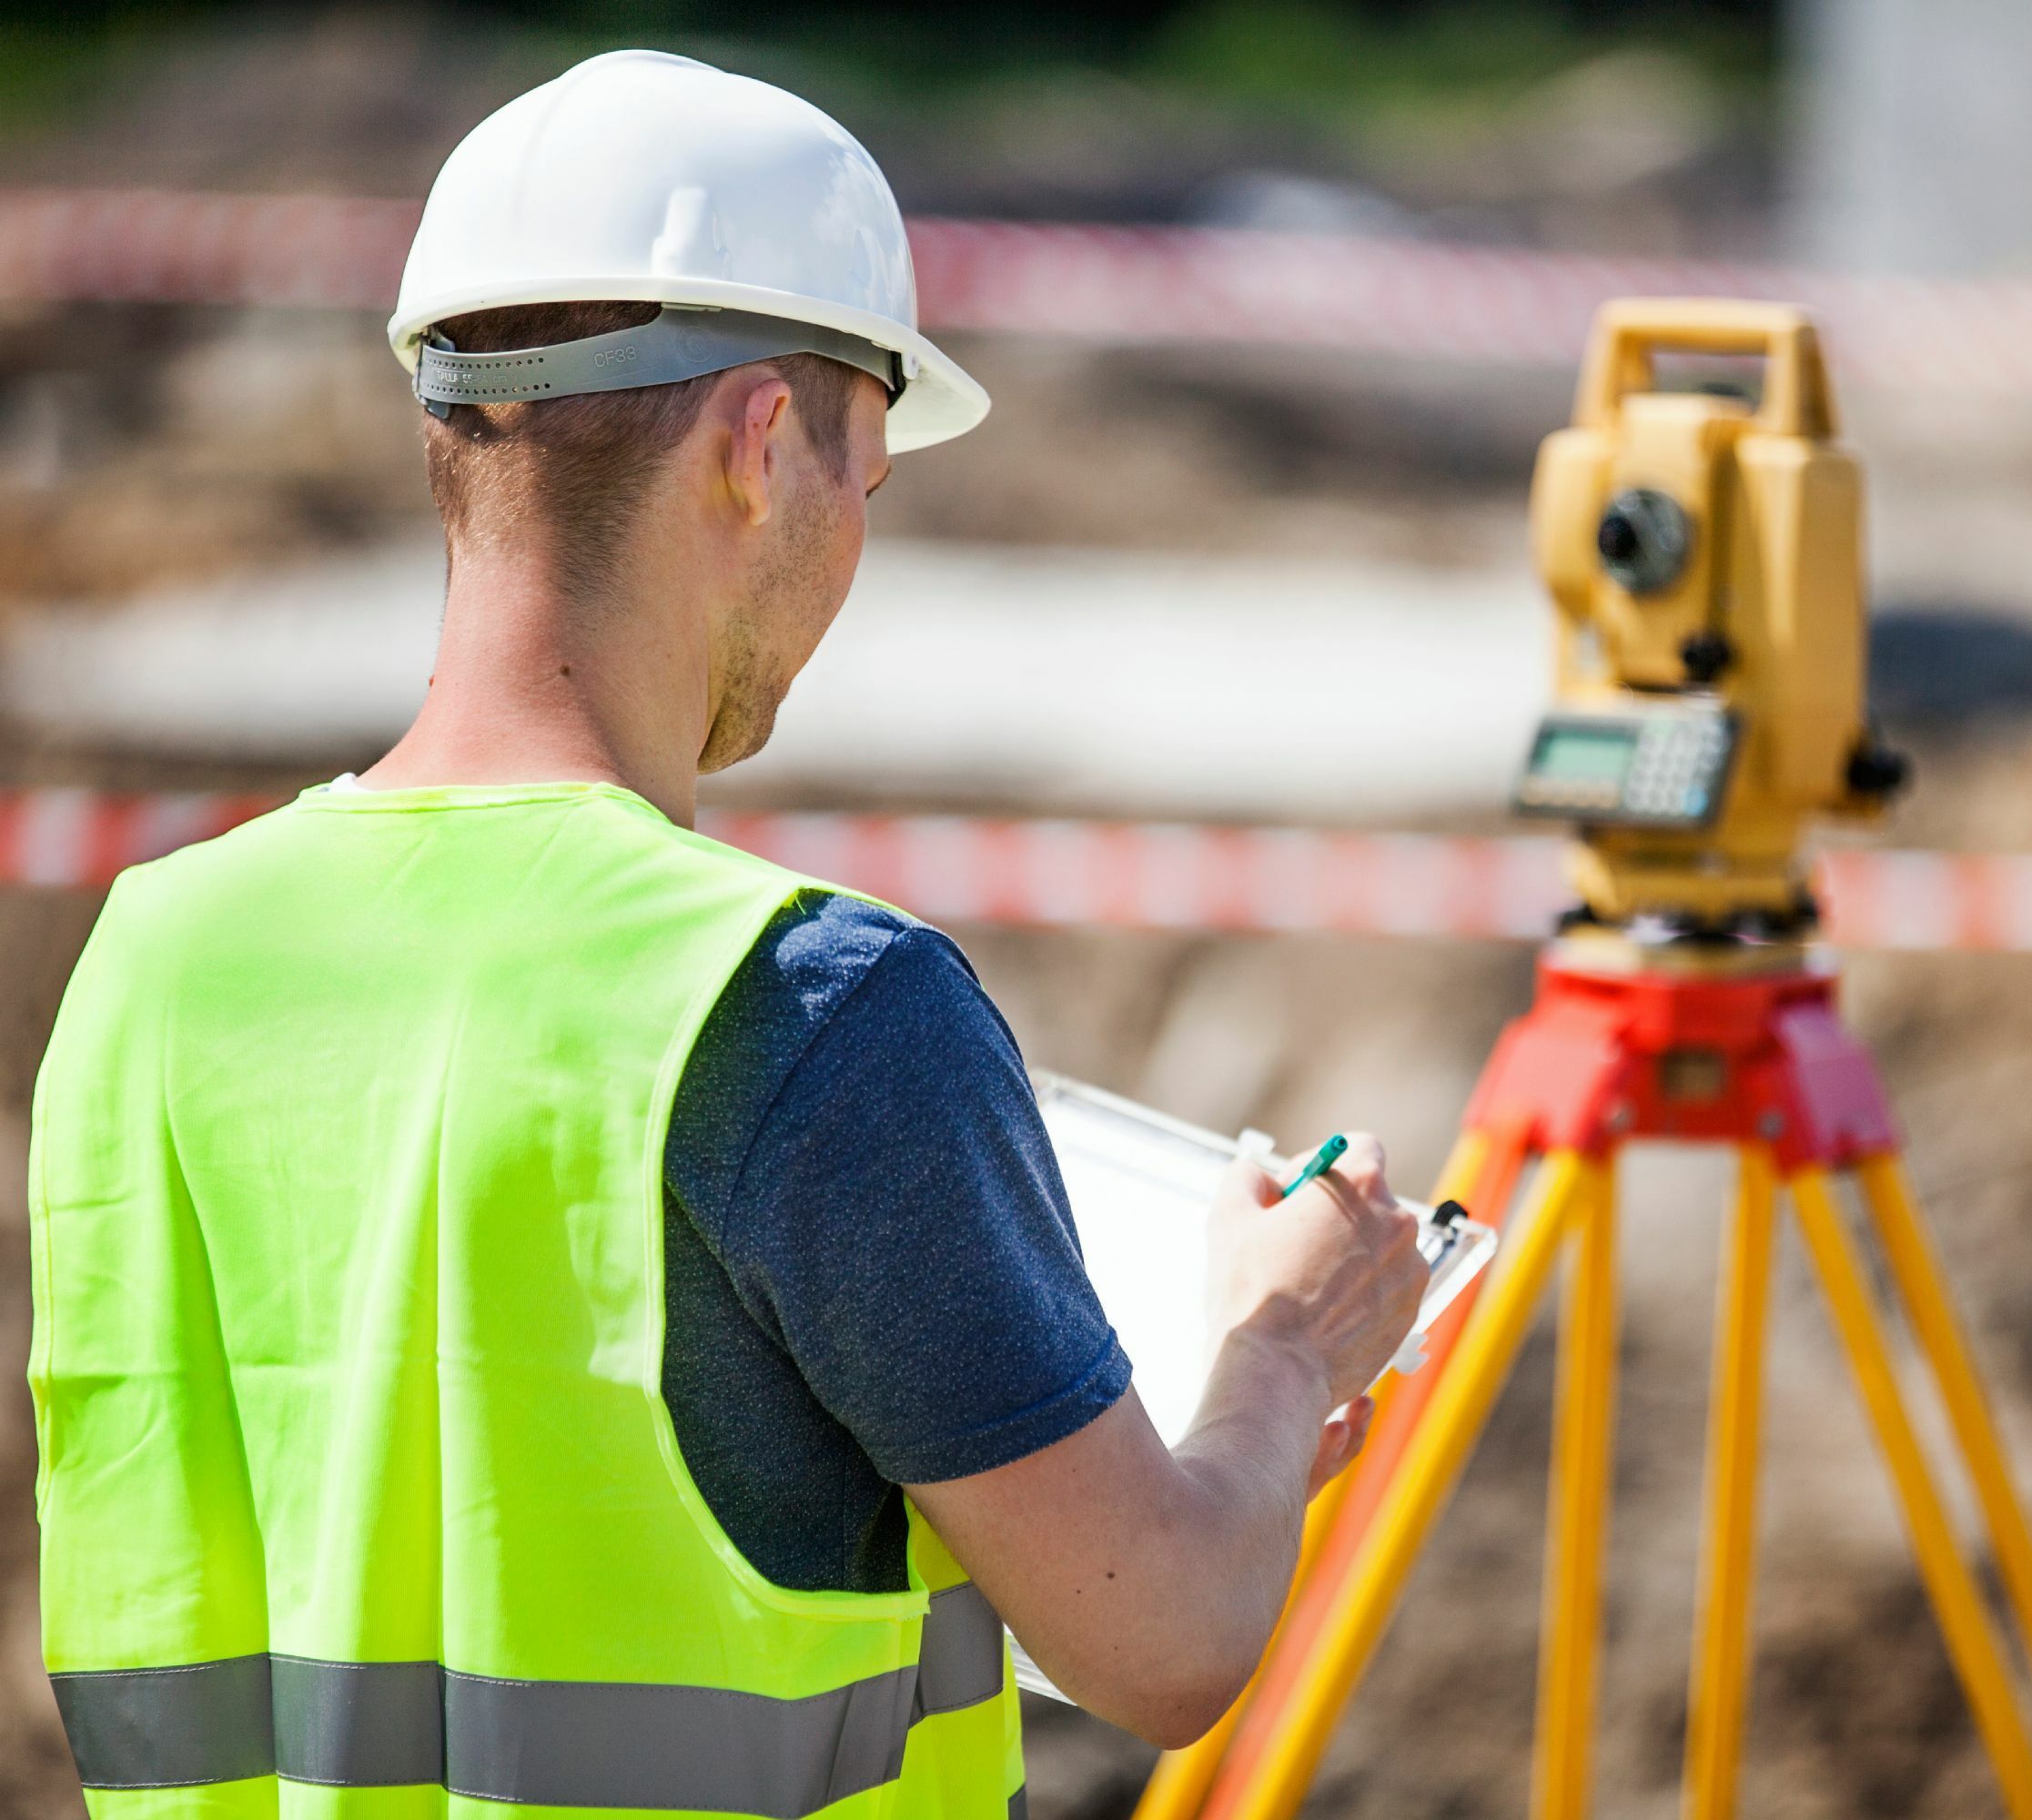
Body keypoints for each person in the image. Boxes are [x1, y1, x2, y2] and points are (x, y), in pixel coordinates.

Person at [26, 50, 1428, 1819]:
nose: (860, 534)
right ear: (761, 443)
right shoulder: (812, 1010)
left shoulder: (154, 961)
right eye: (869, 467)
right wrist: (1282, 1347)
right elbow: (1164, 1639)